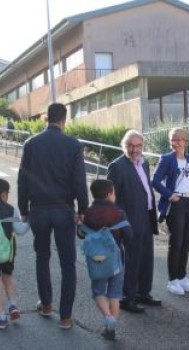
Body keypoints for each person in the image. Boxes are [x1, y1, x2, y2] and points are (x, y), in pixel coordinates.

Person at [17, 103, 88, 329]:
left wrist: (24, 210)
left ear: (46, 118)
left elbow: (22, 179)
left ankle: (46, 305)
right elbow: (79, 180)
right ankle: (66, 316)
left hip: (38, 210)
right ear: (64, 120)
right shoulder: (73, 145)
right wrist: (82, 210)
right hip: (63, 210)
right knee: (68, 263)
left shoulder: (31, 143)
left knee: (42, 257)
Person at [107, 130, 161, 313]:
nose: (134, 149)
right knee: (131, 260)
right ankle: (127, 298)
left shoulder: (143, 163)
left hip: (145, 216)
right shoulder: (117, 166)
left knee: (146, 257)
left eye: (138, 145)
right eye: (130, 145)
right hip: (128, 220)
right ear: (124, 146)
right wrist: (119, 223)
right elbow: (110, 198)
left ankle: (143, 293)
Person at [78, 179, 133, 340]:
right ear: (110, 194)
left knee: (98, 292)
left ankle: (107, 317)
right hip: (116, 260)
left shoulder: (88, 213)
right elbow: (129, 234)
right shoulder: (119, 213)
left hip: (96, 261)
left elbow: (81, 234)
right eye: (114, 192)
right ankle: (111, 327)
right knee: (115, 294)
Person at [152, 127, 189, 296]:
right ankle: (172, 281)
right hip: (176, 203)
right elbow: (155, 181)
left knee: (186, 242)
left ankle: (182, 277)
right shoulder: (166, 159)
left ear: (186, 141)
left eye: (180, 139)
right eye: (174, 139)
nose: (177, 142)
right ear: (170, 141)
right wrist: (169, 195)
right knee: (176, 243)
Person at [0, 179, 30, 329]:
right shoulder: (10, 210)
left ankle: (1, 316)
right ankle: (13, 305)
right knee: (7, 277)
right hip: (7, 253)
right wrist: (29, 219)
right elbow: (20, 230)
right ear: (4, 194)